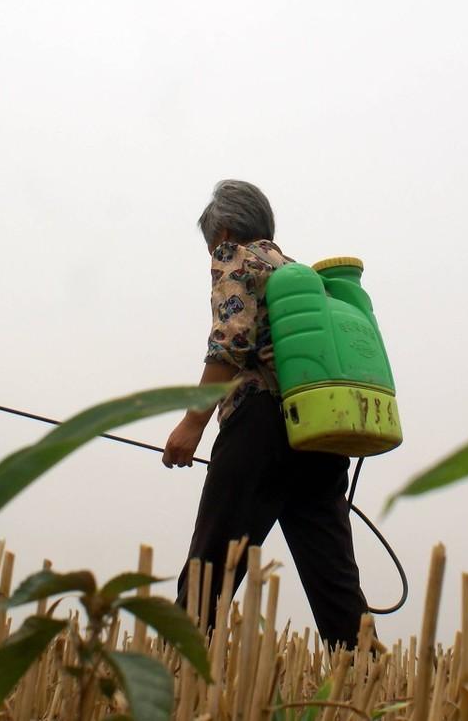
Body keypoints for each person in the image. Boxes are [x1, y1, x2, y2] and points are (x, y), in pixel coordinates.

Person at [162, 179, 367, 650]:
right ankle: (370, 681)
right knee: (336, 586)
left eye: (213, 243)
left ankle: (176, 677)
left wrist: (192, 423)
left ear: (226, 230)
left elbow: (231, 342)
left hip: (261, 429)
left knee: (209, 571)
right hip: (319, 434)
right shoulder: (304, 277)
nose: (214, 253)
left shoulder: (238, 256)